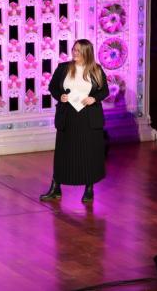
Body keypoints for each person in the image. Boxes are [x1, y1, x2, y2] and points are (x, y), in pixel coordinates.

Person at [40, 39, 109, 202]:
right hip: (68, 116)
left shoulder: (96, 70)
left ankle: (89, 188)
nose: (75, 53)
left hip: (88, 118)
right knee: (64, 153)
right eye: (74, 50)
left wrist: (94, 98)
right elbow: (53, 87)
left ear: (86, 52)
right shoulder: (63, 68)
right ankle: (56, 188)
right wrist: (60, 96)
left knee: (89, 153)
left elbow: (104, 90)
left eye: (78, 50)